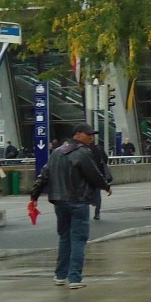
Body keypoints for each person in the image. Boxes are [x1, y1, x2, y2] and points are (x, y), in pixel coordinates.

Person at [30, 123, 112, 289]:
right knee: (78, 239)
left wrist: (34, 196)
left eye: (92, 134)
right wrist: (106, 186)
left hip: (59, 202)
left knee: (64, 238)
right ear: (77, 134)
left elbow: (44, 175)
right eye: (88, 134)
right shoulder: (82, 152)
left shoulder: (56, 152)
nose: (91, 137)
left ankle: (60, 275)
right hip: (78, 201)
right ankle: (75, 278)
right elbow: (93, 174)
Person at [86, 138, 113, 220]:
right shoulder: (99, 148)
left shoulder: (84, 149)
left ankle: (91, 202)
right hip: (99, 174)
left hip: (87, 174)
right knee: (97, 193)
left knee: (86, 192)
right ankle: (97, 212)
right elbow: (105, 159)